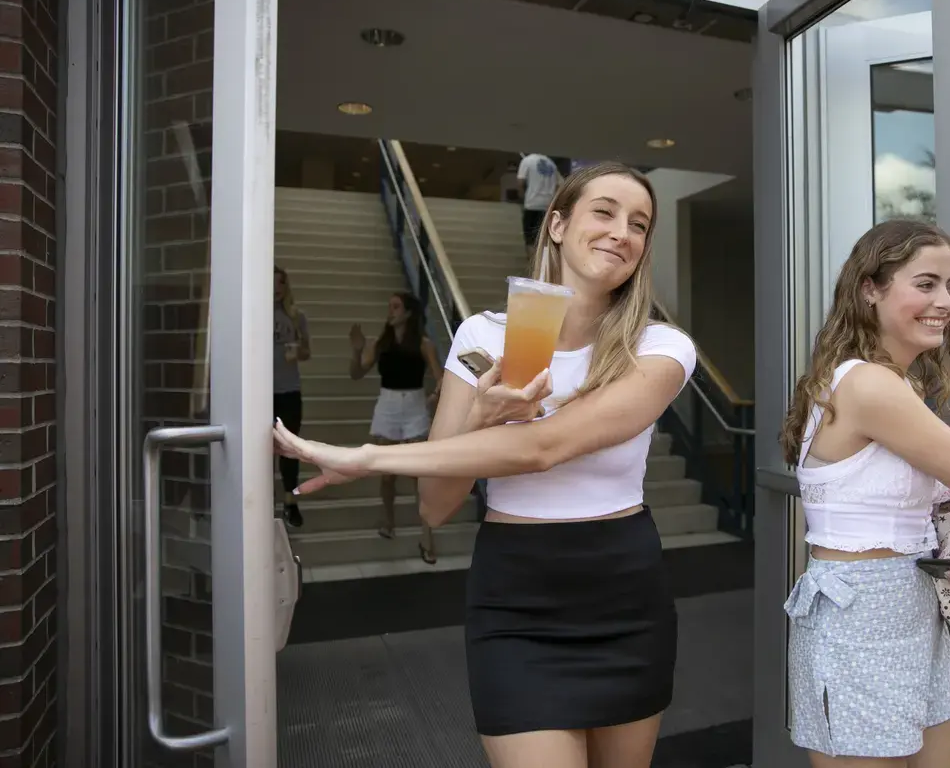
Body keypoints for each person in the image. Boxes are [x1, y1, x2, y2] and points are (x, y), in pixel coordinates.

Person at [274, 162, 696, 768]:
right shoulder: (482, 337)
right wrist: (483, 420)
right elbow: (436, 506)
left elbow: (546, 446)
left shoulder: (659, 347)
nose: (621, 232)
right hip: (517, 595)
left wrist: (370, 457)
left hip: (624, 589)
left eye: (639, 224)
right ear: (556, 224)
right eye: (603, 211)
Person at [779, 219, 950, 767]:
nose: (945, 301)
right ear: (871, 289)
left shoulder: (896, 384)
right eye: (926, 283)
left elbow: (898, 511)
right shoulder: (871, 385)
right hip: (861, 620)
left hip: (913, 608)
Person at [348, 292, 444, 562]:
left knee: (418, 475)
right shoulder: (381, 343)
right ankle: (388, 519)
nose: (390, 311)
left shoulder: (424, 344)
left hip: (414, 406)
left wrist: (433, 398)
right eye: (389, 306)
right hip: (388, 406)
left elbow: (441, 378)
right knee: (387, 473)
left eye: (395, 307)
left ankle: (427, 538)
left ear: (409, 313)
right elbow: (356, 374)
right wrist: (356, 350)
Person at [273, 266, 310, 528]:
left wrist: (298, 352)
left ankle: (290, 501)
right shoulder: (253, 313)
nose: (276, 288)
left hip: (289, 390)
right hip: (261, 392)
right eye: (272, 283)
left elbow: (307, 351)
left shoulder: (297, 316)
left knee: (289, 448)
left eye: (281, 283)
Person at [517, 152, 562, 248]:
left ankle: (530, 260)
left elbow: (521, 182)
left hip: (532, 203)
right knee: (541, 237)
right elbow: (559, 185)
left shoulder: (527, 160)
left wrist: (522, 198)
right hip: (547, 205)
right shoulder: (551, 163)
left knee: (529, 237)